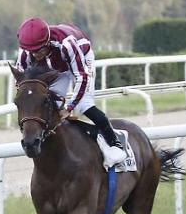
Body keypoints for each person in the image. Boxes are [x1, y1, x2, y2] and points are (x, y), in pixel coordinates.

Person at [15, 17, 127, 168]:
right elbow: (22, 83)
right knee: (49, 102)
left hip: (80, 58)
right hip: (56, 66)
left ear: (47, 42)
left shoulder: (67, 45)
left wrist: (70, 107)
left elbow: (82, 76)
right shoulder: (25, 52)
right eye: (31, 52)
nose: (35, 55)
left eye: (39, 50)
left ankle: (114, 143)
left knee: (83, 105)